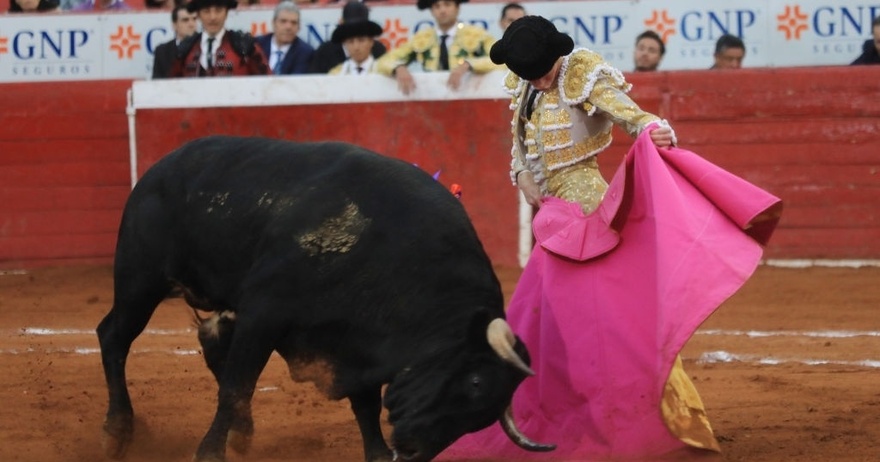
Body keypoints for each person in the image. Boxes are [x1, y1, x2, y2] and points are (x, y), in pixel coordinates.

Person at [441, 15, 781, 461]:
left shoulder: (580, 73)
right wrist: (523, 174)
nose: (540, 82)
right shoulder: (526, 83)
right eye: (531, 76)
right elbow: (519, 143)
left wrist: (650, 128)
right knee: (558, 328)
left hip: (587, 215)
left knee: (617, 322)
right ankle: (582, 413)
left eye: (543, 72)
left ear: (557, 58)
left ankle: (667, 417)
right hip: (554, 218)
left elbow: (628, 113)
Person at [375, 0, 501, 95]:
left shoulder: (477, 34)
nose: (442, 10)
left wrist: (469, 65)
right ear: (431, 11)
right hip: (430, 99)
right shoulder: (422, 37)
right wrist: (398, 67)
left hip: (471, 96)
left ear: (457, 8)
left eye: (447, 4)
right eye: (437, 6)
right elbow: (382, 62)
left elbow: (502, 61)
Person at [170, 0, 270, 77]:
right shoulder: (186, 48)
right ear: (199, 15)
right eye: (206, 11)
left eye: (218, 10)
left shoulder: (244, 44)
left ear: (226, 13)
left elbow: (267, 83)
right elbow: (171, 87)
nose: (213, 17)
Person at [309, 1, 387, 74]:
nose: (356, 47)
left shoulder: (379, 51)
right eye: (351, 41)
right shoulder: (326, 53)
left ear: (371, 42)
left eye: (361, 40)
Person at [256, 1, 314, 75]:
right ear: (274, 23)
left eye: (293, 23)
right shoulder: (258, 45)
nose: (288, 27)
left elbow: (297, 82)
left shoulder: (305, 52)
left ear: (299, 27)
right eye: (283, 21)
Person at [152, 5, 198, 79]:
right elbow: (156, 82)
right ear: (174, 25)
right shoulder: (162, 51)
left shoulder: (206, 46)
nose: (191, 24)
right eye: (185, 20)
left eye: (194, 19)